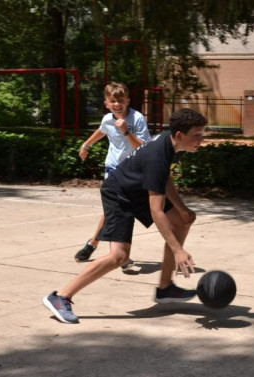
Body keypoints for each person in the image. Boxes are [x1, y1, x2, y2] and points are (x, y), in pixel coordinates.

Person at [43, 108, 207, 324]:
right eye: (197, 135)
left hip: (136, 189)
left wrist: (181, 208)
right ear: (180, 135)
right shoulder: (158, 155)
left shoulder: (174, 145)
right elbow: (156, 211)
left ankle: (165, 288)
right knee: (118, 257)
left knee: (184, 219)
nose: (201, 140)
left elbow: (165, 178)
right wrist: (178, 250)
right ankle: (60, 297)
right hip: (119, 194)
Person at [74, 82, 151, 271]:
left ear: (128, 101)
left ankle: (93, 243)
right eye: (113, 101)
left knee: (118, 212)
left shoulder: (137, 118)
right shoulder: (108, 119)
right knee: (117, 211)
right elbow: (102, 130)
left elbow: (144, 147)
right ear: (106, 103)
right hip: (113, 169)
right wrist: (86, 145)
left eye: (121, 100)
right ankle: (121, 257)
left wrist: (126, 131)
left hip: (133, 171)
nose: (117, 104)